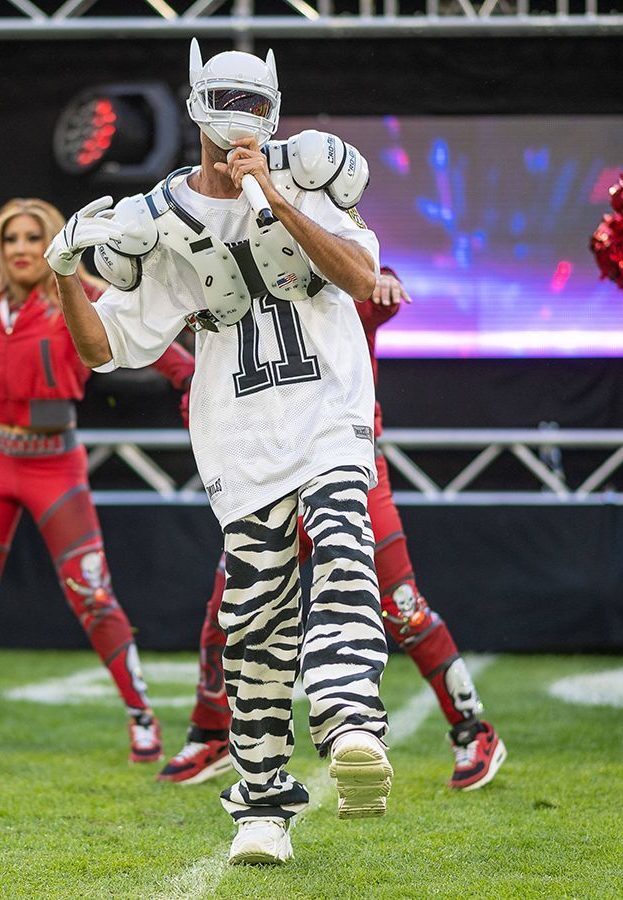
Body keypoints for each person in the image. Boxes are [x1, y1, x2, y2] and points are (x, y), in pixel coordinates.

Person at [50, 40, 391, 865]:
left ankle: (350, 720)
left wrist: (270, 193)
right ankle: (264, 805)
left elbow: (358, 275)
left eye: (253, 101)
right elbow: (105, 348)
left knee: (345, 540)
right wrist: (66, 274)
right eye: (227, 99)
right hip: (238, 436)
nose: (240, 116)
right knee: (253, 623)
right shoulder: (163, 219)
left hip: (328, 411)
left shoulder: (307, 179)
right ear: (200, 100)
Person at [159, 270, 506, 791]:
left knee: (402, 608)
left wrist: (382, 281)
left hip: (347, 469)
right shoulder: (235, 284)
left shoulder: (325, 265)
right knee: (231, 612)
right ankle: (212, 733)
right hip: (269, 476)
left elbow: (367, 276)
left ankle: (472, 729)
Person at [0, 198, 193, 763]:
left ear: (53, 243)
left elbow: (152, 341)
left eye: (32, 237)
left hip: (56, 464)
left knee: (92, 593)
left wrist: (190, 378)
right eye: (11, 238)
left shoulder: (83, 294)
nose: (21, 248)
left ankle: (140, 713)